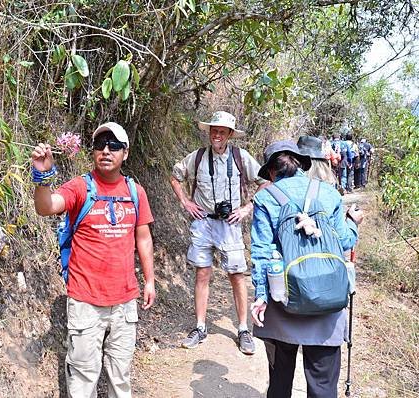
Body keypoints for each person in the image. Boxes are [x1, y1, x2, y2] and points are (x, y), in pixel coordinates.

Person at [31, 122, 156, 398]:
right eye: (100, 145)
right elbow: (46, 207)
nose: (106, 150)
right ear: (92, 152)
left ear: (125, 152)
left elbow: (143, 238)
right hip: (85, 302)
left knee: (120, 378)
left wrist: (149, 281)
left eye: (114, 145)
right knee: (83, 379)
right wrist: (42, 177)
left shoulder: (136, 193)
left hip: (124, 303)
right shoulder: (79, 188)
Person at [249, 140, 364, 398]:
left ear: (270, 172)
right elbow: (345, 241)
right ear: (301, 164)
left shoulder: (266, 198)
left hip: (283, 301)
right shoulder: (329, 193)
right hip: (328, 300)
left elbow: (261, 252)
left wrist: (260, 296)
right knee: (323, 386)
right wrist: (354, 223)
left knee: (279, 382)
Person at [170, 111, 267, 354]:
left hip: (231, 224)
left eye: (222, 131)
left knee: (237, 275)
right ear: (209, 131)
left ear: (230, 135)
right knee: (202, 273)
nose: (217, 135)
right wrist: (186, 203)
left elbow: (265, 181)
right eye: (214, 130)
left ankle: (244, 329)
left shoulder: (240, 157)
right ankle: (200, 327)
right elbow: (175, 176)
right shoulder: (198, 157)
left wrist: (247, 208)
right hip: (203, 223)